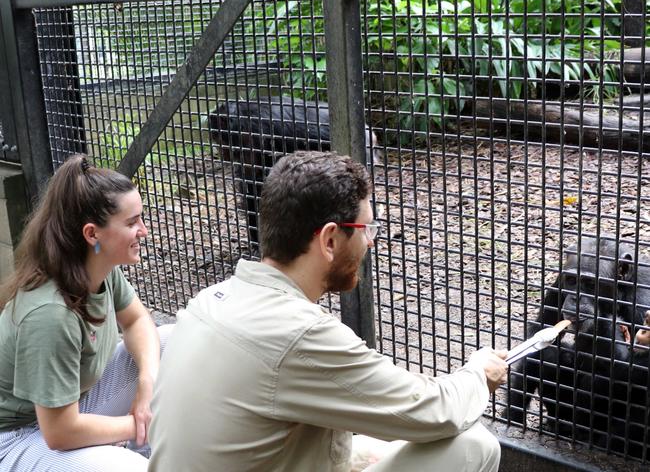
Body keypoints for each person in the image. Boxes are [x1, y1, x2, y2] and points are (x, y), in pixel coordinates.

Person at [149, 150, 508, 471]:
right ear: (330, 240)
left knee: (374, 443)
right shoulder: (298, 333)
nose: (371, 240)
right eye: (366, 228)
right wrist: (478, 373)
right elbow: (435, 412)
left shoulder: (211, 299)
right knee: (473, 446)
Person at [0, 155, 168, 471]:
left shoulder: (98, 267)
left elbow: (137, 321)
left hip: (69, 407)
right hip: (18, 437)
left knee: (173, 338)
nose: (143, 230)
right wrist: (138, 425)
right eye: (132, 222)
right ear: (92, 235)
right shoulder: (50, 314)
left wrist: (147, 383)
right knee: (128, 468)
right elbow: (60, 432)